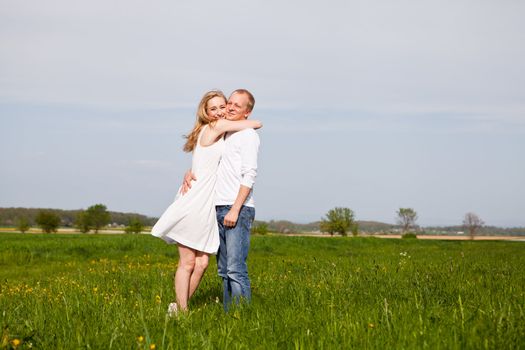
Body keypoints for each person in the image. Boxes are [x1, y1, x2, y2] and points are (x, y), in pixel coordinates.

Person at [151, 90, 262, 315]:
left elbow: (215, 163)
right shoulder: (217, 127)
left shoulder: (226, 132)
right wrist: (242, 118)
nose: (223, 110)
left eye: (227, 105)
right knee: (189, 262)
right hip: (196, 200)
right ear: (206, 112)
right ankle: (182, 311)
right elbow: (257, 123)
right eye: (216, 108)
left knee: (202, 263)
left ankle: (179, 307)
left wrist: (191, 170)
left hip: (208, 204)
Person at [183, 89, 260, 311]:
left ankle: (241, 316)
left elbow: (250, 174)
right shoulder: (225, 133)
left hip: (237, 208)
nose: (232, 108)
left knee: (235, 269)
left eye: (238, 105)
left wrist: (235, 209)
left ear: (247, 111)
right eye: (230, 103)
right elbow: (210, 163)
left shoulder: (247, 135)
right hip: (216, 206)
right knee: (223, 269)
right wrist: (190, 171)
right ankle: (229, 315)